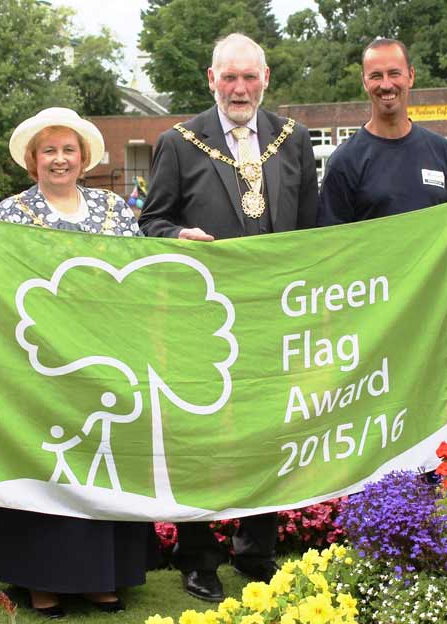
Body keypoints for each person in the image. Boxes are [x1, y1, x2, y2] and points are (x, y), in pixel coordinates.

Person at [138, 33, 317, 602]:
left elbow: (312, 230)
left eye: (250, 77)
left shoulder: (294, 139)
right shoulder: (180, 141)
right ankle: (197, 556)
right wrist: (178, 236)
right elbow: (152, 222)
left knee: (269, 431)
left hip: (273, 316)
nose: (240, 88)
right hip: (203, 318)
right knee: (203, 435)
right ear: (210, 79)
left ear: (266, 78)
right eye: (229, 77)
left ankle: (256, 550)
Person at [0, 107, 155, 618]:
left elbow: (138, 271)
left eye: (68, 150)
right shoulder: (14, 211)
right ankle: (41, 578)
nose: (59, 159)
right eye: (48, 150)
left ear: (83, 157)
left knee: (103, 460)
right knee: (48, 459)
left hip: (106, 357)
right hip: (40, 364)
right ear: (33, 160)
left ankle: (104, 574)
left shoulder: (114, 209)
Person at [317, 39, 447, 224]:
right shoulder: (344, 161)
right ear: (364, 81)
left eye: (394, 73)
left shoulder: (442, 151)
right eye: (376, 76)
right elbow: (332, 243)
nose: (386, 85)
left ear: (411, 76)